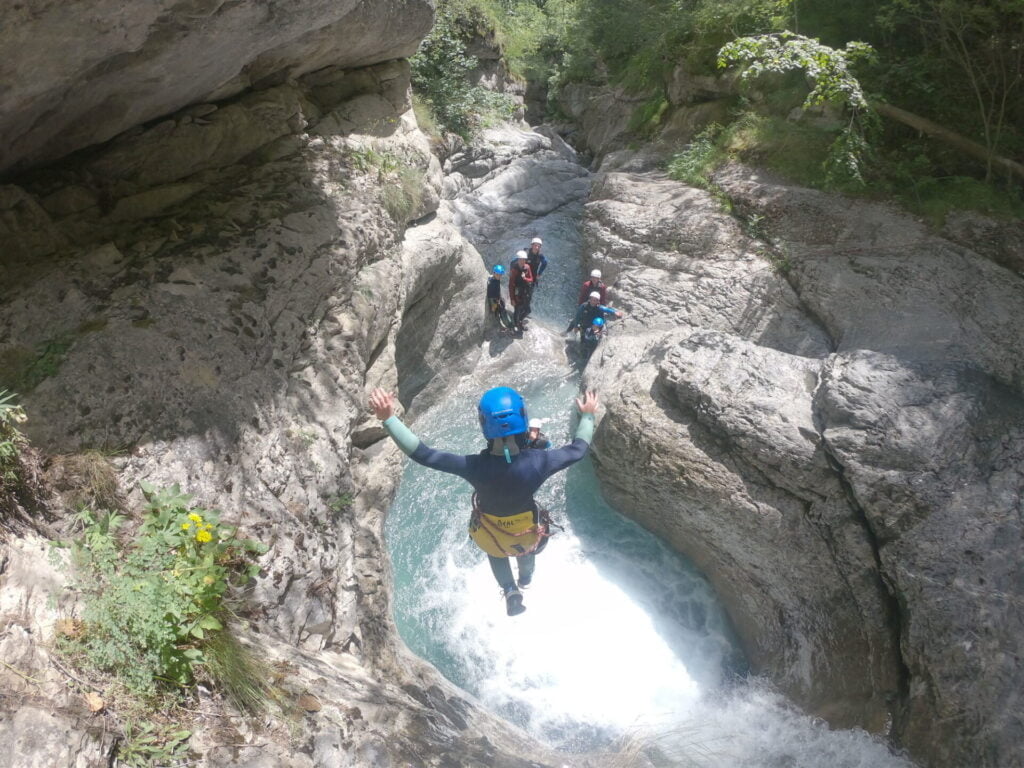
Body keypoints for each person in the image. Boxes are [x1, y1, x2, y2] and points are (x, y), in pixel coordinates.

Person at [369, 386, 600, 617]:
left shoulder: (474, 466)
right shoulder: (541, 462)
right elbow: (578, 449)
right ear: (523, 418)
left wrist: (389, 419)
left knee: (496, 551)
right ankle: (526, 579)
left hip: (492, 533)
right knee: (526, 552)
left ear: (484, 425)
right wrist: (588, 415)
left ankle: (510, 591)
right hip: (527, 534)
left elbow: (424, 454)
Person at [508, 250, 535, 333]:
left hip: (525, 292)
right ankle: (516, 325)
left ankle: (519, 321)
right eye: (520, 259)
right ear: (518, 260)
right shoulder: (514, 270)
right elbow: (511, 285)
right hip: (517, 293)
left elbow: (531, 279)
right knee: (517, 309)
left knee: (528, 310)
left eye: (524, 260)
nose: (522, 261)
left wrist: (525, 278)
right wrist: (512, 299)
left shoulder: (527, 267)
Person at [486, 265, 513, 331]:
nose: (499, 276)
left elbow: (497, 291)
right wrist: (495, 303)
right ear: (494, 273)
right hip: (495, 301)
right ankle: (509, 326)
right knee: (501, 313)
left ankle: (506, 326)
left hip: (497, 299)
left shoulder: (494, 279)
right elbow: (491, 295)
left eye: (500, 275)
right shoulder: (492, 283)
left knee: (500, 313)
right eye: (498, 274)